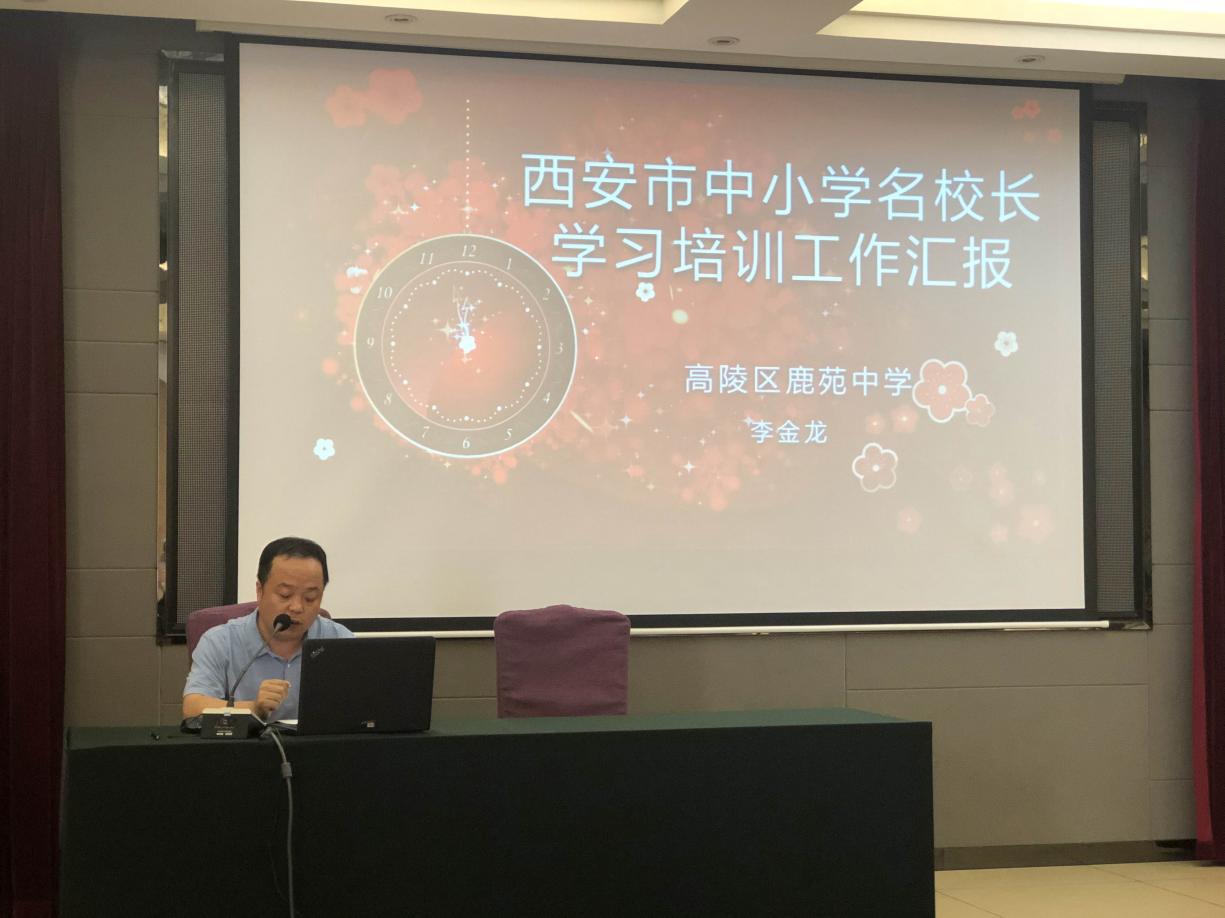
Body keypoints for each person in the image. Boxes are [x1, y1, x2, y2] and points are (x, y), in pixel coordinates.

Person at [182, 536, 354, 721]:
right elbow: (192, 709)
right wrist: (253, 708)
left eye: (310, 598)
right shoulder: (221, 642)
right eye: (285, 595)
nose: (297, 607)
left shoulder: (339, 640)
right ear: (260, 590)